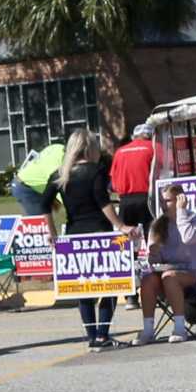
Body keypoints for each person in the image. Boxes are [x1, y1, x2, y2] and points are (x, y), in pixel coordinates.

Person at [52, 130, 125, 349]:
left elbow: (44, 203)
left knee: (83, 288)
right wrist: (121, 226)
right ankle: (102, 334)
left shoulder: (61, 174)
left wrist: (51, 233)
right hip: (99, 233)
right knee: (109, 284)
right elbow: (103, 201)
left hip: (74, 234)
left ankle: (92, 336)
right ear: (90, 148)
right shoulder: (96, 170)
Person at [135, 180, 196, 345]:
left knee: (169, 277)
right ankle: (148, 330)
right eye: (161, 201)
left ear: (180, 199)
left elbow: (187, 238)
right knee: (148, 280)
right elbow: (155, 261)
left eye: (167, 201)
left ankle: (179, 328)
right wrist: (153, 255)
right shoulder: (158, 225)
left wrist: (181, 212)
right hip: (167, 272)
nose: (163, 205)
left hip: (195, 274)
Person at [110, 123, 157, 231]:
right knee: (151, 236)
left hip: (125, 201)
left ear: (133, 137)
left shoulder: (119, 152)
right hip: (148, 199)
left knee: (126, 238)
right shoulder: (154, 147)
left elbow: (113, 183)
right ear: (151, 135)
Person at [9, 138, 62, 217]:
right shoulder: (59, 162)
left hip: (27, 183)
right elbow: (60, 187)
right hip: (26, 187)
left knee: (45, 218)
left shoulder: (57, 147)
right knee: (40, 221)